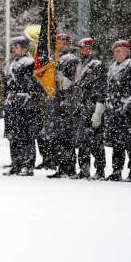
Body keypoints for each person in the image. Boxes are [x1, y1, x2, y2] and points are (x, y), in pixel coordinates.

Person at [104, 40, 131, 182]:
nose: (116, 54)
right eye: (115, 51)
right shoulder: (112, 67)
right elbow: (108, 88)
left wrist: (126, 105)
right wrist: (109, 102)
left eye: (119, 51)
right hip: (114, 110)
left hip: (128, 112)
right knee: (116, 143)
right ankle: (116, 170)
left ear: (127, 52)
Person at [3, 36, 42, 176]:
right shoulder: (13, 63)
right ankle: (16, 163)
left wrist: (29, 99)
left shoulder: (29, 63)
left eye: (17, 46)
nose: (13, 49)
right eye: (13, 46)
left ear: (25, 49)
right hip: (13, 102)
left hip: (25, 103)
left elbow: (34, 85)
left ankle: (28, 164)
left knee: (26, 135)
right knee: (14, 135)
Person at [70, 37, 107, 179]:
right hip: (81, 106)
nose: (81, 51)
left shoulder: (97, 65)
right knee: (82, 141)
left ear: (90, 49)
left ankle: (100, 170)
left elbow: (101, 89)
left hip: (92, 106)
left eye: (83, 48)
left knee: (96, 141)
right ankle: (84, 169)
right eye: (80, 48)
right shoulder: (79, 64)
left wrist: (98, 111)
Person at [47, 34, 80, 179]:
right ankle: (61, 166)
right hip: (57, 102)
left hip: (68, 102)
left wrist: (62, 78)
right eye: (57, 43)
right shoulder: (56, 59)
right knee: (58, 136)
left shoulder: (71, 59)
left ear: (67, 44)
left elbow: (73, 81)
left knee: (67, 136)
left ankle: (69, 167)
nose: (58, 46)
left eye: (61, 43)